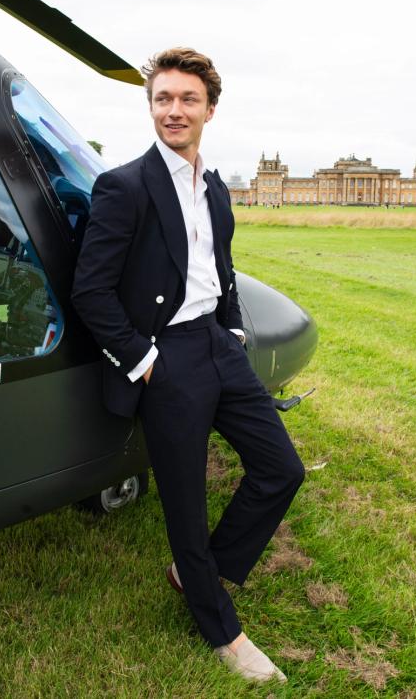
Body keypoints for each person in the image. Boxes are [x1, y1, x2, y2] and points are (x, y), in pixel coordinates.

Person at [71, 48, 304, 684]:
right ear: (151, 106)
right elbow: (90, 290)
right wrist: (145, 361)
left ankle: (198, 570)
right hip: (164, 357)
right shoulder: (122, 186)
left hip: (216, 345)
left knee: (281, 468)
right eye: (163, 99)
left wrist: (229, 326)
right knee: (185, 503)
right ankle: (222, 631)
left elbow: (219, 267)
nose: (174, 111)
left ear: (209, 109)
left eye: (187, 100)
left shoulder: (216, 185)